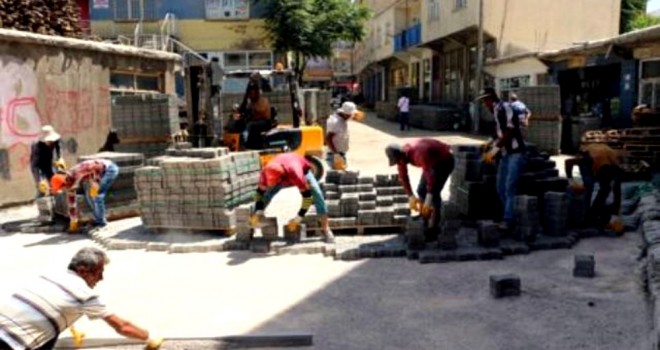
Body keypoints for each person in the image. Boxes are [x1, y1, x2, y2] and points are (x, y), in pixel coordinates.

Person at [0, 247, 163, 350]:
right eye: (98, 272)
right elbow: (122, 327)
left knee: (53, 329)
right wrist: (149, 337)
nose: (101, 278)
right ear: (83, 270)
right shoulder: (84, 295)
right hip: (13, 344)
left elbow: (49, 307)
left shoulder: (47, 276)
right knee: (51, 332)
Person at [250, 153, 334, 243]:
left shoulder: (296, 174)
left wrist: (298, 218)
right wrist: (258, 211)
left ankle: (326, 228)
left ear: (281, 178)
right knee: (266, 195)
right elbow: (258, 193)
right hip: (283, 168)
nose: (273, 184)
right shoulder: (265, 172)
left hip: (299, 168)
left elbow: (307, 199)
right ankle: (252, 225)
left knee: (317, 193)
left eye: (275, 182)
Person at [385, 138, 455, 241]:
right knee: (421, 190)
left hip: (444, 161)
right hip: (431, 162)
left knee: (434, 193)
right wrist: (410, 196)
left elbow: (430, 178)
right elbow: (403, 176)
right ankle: (424, 217)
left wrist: (428, 200)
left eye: (398, 161)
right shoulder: (401, 156)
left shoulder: (418, 154)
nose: (399, 163)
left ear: (401, 155)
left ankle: (433, 229)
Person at [477, 87, 527, 231]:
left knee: (510, 187)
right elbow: (499, 131)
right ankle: (510, 214)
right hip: (506, 154)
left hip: (516, 153)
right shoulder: (496, 112)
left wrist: (494, 150)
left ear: (491, 99)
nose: (484, 105)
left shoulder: (505, 107)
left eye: (485, 101)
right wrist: (489, 141)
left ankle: (508, 219)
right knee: (500, 187)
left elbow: (510, 131)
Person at [565, 143, 624, 233]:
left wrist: (615, 216)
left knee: (605, 189)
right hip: (591, 153)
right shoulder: (588, 160)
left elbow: (617, 193)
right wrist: (570, 180)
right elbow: (568, 162)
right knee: (589, 185)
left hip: (605, 155)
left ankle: (593, 213)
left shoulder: (616, 169)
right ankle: (584, 214)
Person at [50, 159, 119, 232]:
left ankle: (102, 223)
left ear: (65, 182)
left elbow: (95, 166)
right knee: (90, 197)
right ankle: (98, 220)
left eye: (62, 188)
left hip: (109, 169)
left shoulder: (78, 171)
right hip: (97, 172)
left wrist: (96, 182)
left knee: (97, 196)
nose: (63, 190)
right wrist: (74, 222)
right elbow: (72, 203)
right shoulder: (69, 184)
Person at [30, 125, 64, 196]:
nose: (51, 143)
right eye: (49, 141)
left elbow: (59, 150)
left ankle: (55, 201)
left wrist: (60, 159)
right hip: (37, 165)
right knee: (42, 188)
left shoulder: (55, 141)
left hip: (48, 163)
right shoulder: (37, 147)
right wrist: (39, 181)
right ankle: (41, 201)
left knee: (54, 183)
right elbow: (35, 165)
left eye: (52, 141)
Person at [326, 101, 358, 170]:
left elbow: (354, 117)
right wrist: (336, 154)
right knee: (337, 175)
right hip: (335, 154)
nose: (351, 116)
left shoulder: (342, 118)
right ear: (345, 113)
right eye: (349, 115)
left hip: (341, 153)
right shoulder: (335, 122)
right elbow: (328, 138)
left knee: (342, 174)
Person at [242, 83, 273, 149]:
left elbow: (261, 111)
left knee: (250, 125)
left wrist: (253, 109)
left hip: (265, 121)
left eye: (252, 94)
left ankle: (245, 141)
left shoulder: (263, 100)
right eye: (250, 94)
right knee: (244, 124)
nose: (251, 95)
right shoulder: (251, 102)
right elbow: (247, 109)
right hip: (256, 121)